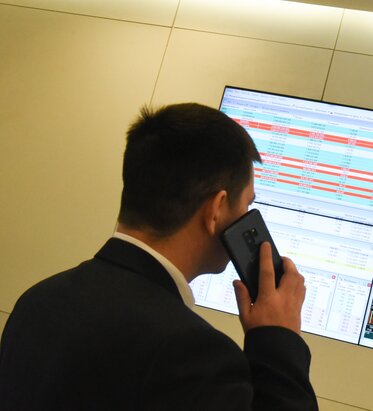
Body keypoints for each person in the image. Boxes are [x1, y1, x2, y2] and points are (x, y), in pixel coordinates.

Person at [0, 103, 318, 410]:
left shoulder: (37, 302)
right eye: (247, 204)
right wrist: (278, 340)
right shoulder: (194, 353)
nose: (247, 215)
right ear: (217, 209)